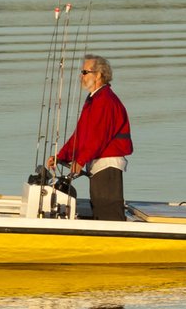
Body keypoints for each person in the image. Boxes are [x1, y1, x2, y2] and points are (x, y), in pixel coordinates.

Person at [55, 54, 133, 220]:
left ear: (98, 75)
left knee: (108, 212)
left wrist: (80, 160)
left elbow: (98, 137)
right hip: (97, 163)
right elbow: (80, 134)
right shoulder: (94, 99)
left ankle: (115, 241)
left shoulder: (105, 100)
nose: (81, 76)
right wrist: (61, 156)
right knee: (99, 208)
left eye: (85, 72)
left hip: (107, 165)